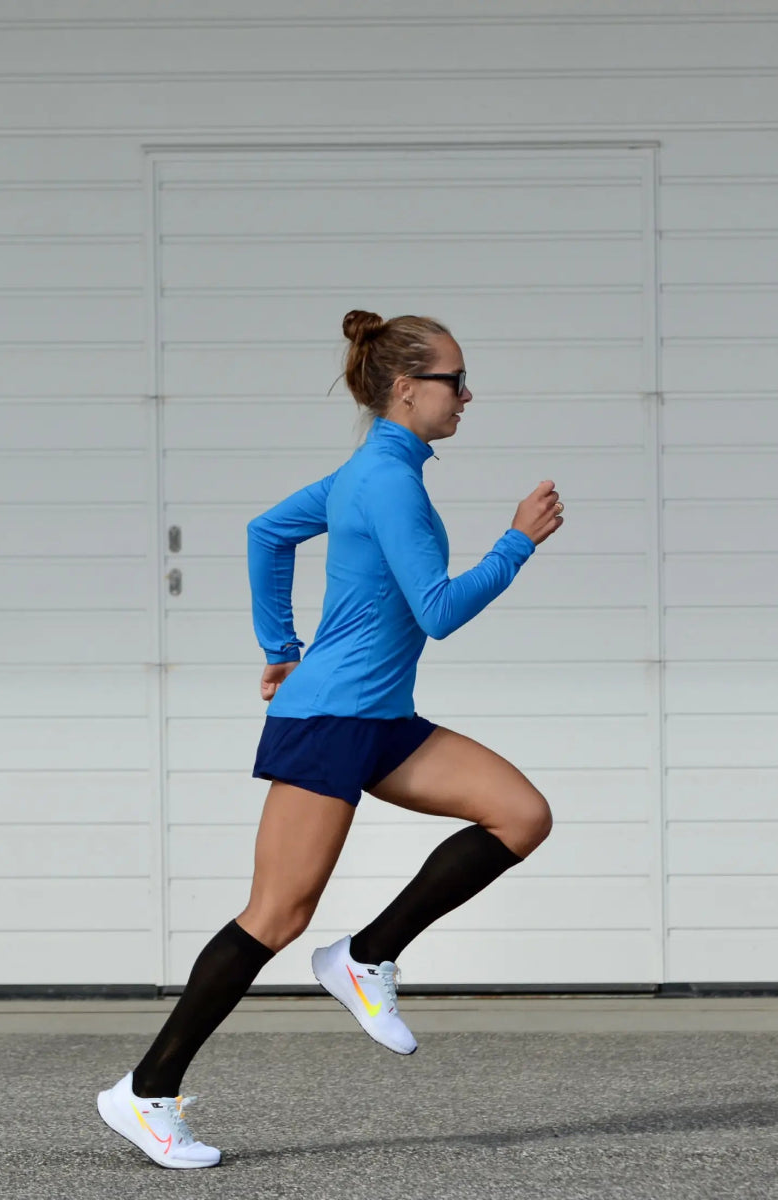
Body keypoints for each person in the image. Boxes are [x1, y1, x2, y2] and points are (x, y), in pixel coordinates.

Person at [97, 309, 564, 1169]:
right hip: (331, 721)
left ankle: (366, 955)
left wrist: (280, 645)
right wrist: (516, 541)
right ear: (404, 388)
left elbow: (266, 532)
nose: (466, 395)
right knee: (275, 914)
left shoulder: (371, 471)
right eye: (453, 380)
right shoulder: (385, 481)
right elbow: (440, 611)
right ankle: (147, 1091)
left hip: (380, 717)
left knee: (519, 816)